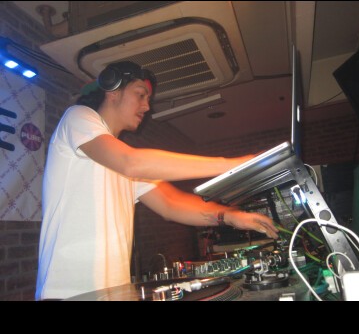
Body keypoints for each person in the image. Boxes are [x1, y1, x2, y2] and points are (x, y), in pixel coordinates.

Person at [35, 61, 279, 300]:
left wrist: (231, 216)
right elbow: (131, 162)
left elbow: (171, 204)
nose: (146, 106)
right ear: (113, 90)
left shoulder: (120, 156)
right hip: (67, 294)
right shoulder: (78, 117)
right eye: (140, 95)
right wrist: (233, 165)